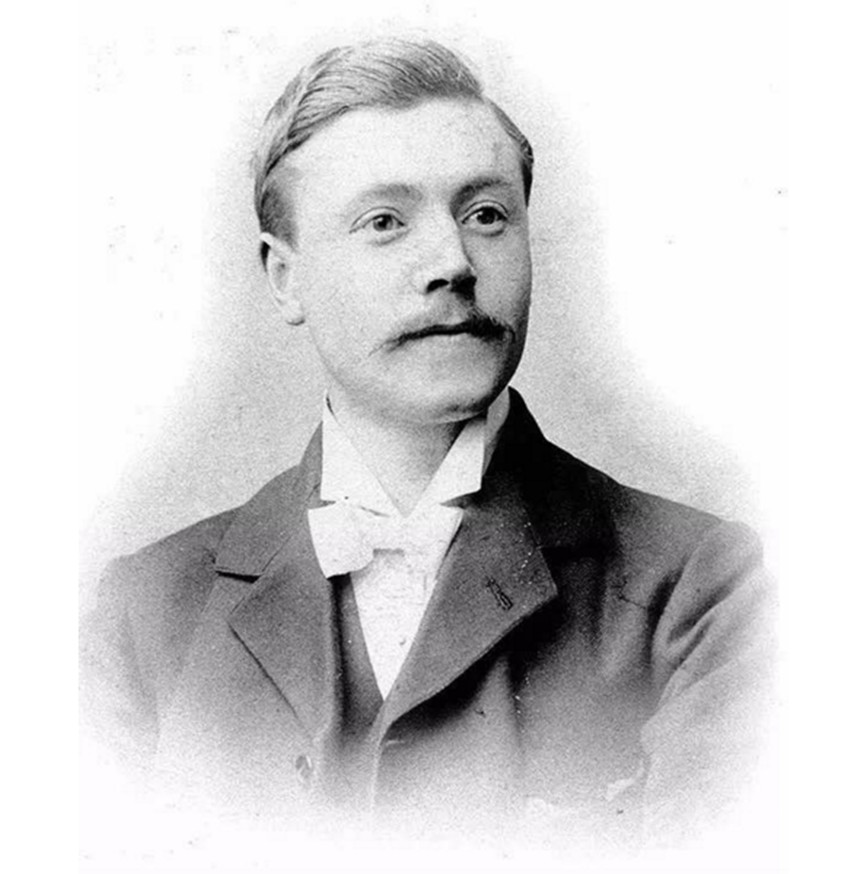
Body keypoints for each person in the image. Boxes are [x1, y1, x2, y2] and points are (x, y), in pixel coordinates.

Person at [80, 37, 774, 848]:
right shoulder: (144, 615)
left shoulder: (699, 593)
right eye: (385, 222)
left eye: (486, 216)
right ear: (284, 278)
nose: (454, 263)